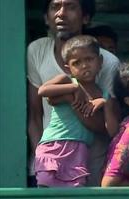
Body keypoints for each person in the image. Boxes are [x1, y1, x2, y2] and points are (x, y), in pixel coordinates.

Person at [27, 0, 120, 186]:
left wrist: (71, 99)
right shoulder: (37, 51)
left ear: (86, 17)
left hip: (88, 167)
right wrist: (40, 158)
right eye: (54, 7)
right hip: (48, 162)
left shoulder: (108, 62)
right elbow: (35, 115)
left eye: (70, 7)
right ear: (46, 18)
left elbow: (106, 127)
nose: (61, 13)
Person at [34, 35, 110, 187]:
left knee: (75, 190)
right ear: (68, 68)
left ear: (100, 61)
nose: (84, 66)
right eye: (77, 63)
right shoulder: (67, 80)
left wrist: (101, 102)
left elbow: (102, 127)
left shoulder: (102, 94)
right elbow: (42, 90)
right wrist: (74, 88)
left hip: (79, 148)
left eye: (89, 59)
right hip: (53, 143)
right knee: (45, 187)